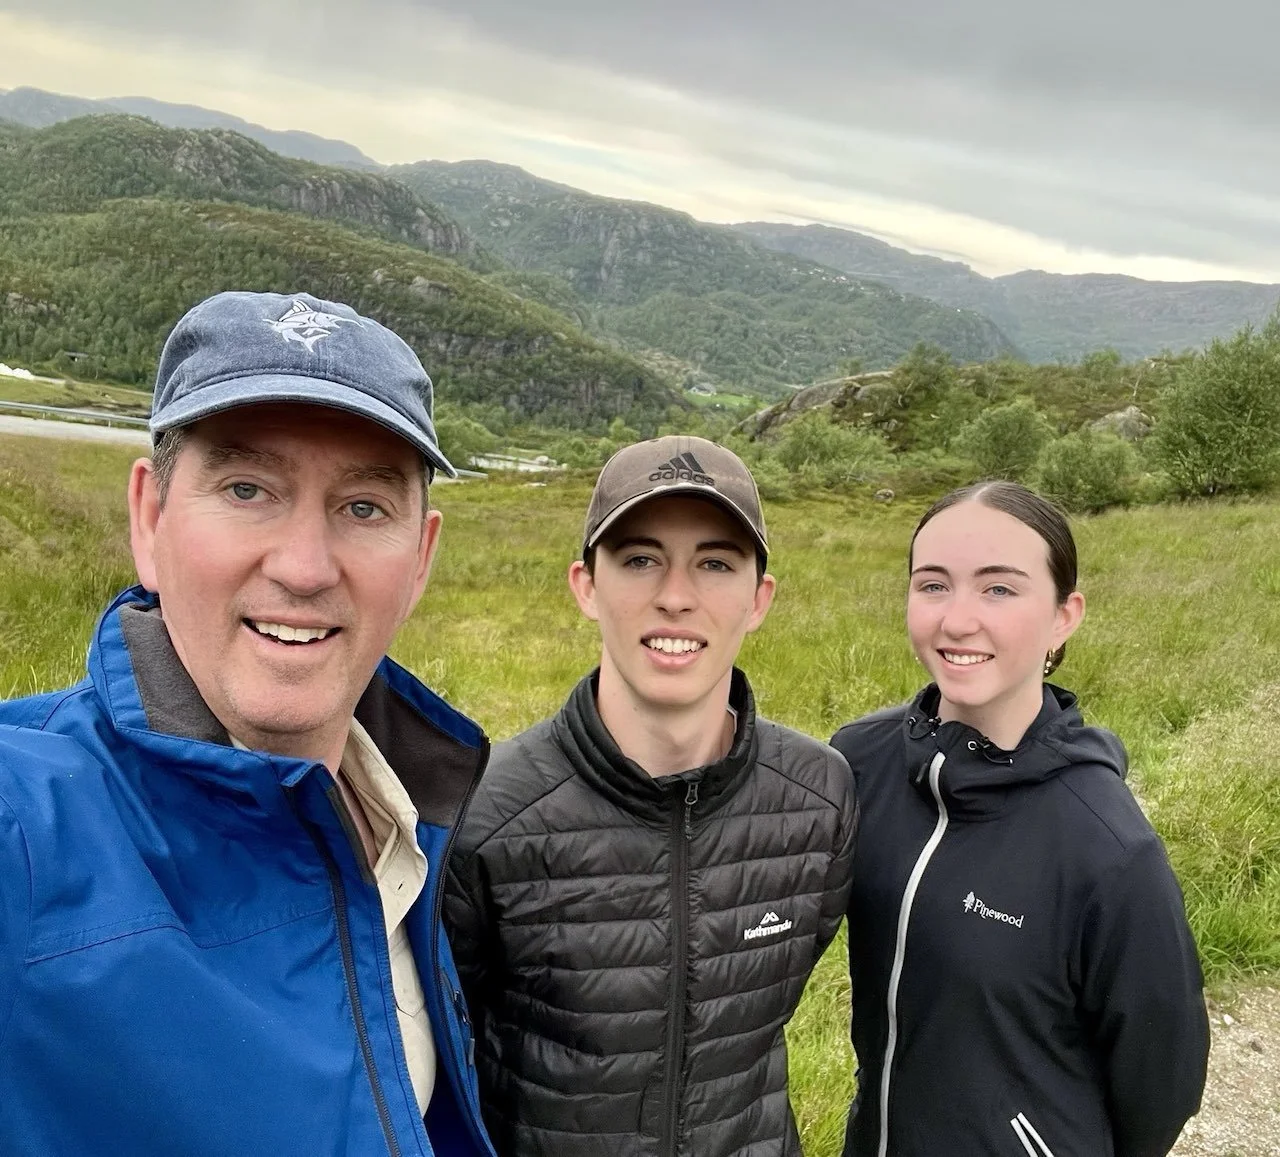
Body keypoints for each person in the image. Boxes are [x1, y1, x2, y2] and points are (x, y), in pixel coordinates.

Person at [0, 290, 497, 1156]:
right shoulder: (26, 822)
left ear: (421, 558)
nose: (304, 567)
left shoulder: (415, 820)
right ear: (150, 518)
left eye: (364, 507)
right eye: (246, 488)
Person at [445, 436, 858, 1156]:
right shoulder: (485, 814)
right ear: (586, 585)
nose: (675, 596)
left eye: (715, 563)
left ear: (759, 599)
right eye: (640, 559)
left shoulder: (820, 798)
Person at [832, 481, 1209, 1157]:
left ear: (1064, 616)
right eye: (933, 585)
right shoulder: (859, 761)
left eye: (999, 588)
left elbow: (1163, 1083)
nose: (957, 620)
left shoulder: (1109, 848)